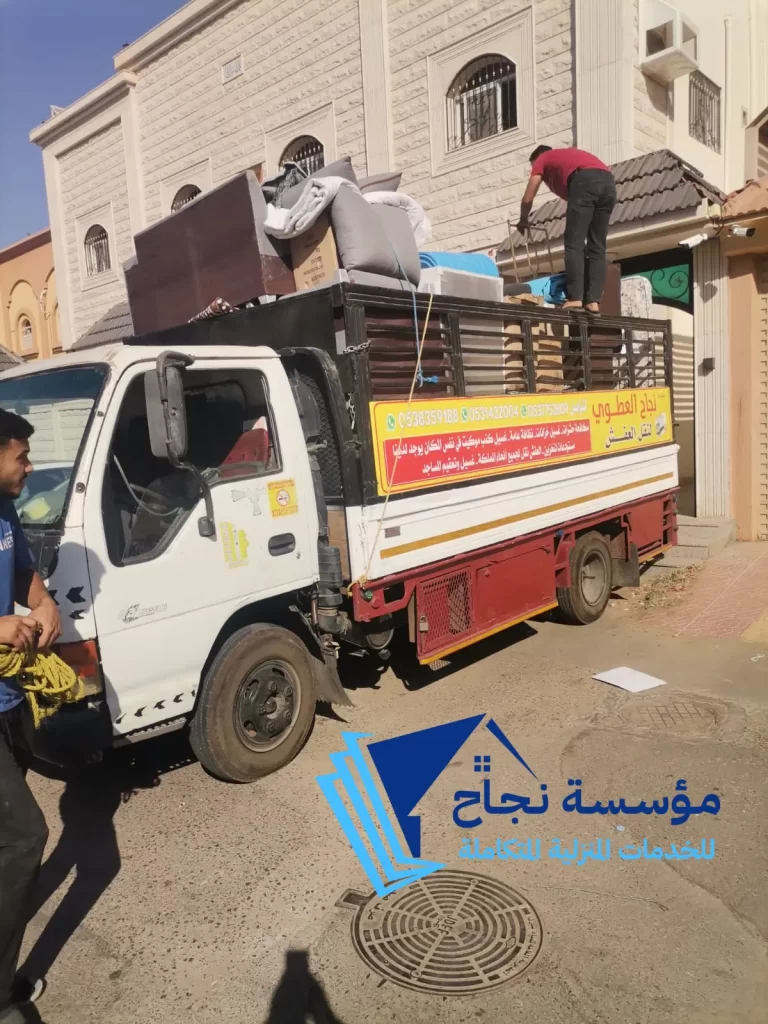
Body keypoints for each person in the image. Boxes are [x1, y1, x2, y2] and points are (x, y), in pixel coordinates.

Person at [0, 408, 61, 1024]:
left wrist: (43, 606)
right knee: (25, 837)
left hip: (10, 701)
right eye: (21, 456)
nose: (30, 466)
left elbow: (24, 575)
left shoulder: (6, 511)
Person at [517, 145, 617, 315]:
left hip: (585, 181)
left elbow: (528, 197)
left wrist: (523, 219)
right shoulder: (566, 157)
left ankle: (575, 299)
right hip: (609, 184)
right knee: (597, 246)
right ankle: (593, 302)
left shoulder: (543, 158)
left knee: (574, 243)